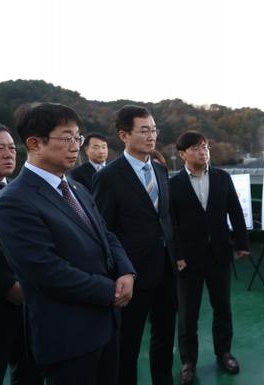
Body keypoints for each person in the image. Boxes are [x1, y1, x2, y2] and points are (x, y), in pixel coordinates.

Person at [0, 103, 135, 385]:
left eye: (77, 138)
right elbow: (46, 271)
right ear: (34, 143)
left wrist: (126, 271)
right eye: (67, 138)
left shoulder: (77, 188)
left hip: (107, 324)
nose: (75, 147)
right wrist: (110, 290)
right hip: (70, 335)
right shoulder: (14, 201)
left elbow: (105, 234)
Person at [93, 105, 177, 385]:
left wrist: (176, 255)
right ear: (124, 135)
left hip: (166, 270)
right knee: (127, 344)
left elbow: (165, 217)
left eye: (153, 130)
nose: (151, 136)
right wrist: (119, 271)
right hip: (132, 274)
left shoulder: (161, 170)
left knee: (164, 336)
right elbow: (103, 230)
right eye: (144, 130)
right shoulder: (108, 177)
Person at [170, 131, 250, 384]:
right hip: (188, 259)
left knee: (222, 308)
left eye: (204, 147)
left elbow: (235, 211)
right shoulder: (173, 184)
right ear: (182, 154)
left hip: (219, 254)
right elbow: (171, 224)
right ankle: (188, 361)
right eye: (195, 148)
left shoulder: (221, 177)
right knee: (188, 314)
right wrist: (177, 254)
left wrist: (242, 243)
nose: (202, 152)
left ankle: (224, 353)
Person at [0, 121, 43, 385]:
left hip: (33, 305)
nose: (8, 154)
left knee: (31, 373)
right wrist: (8, 286)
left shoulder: (24, 191)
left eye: (11, 148)